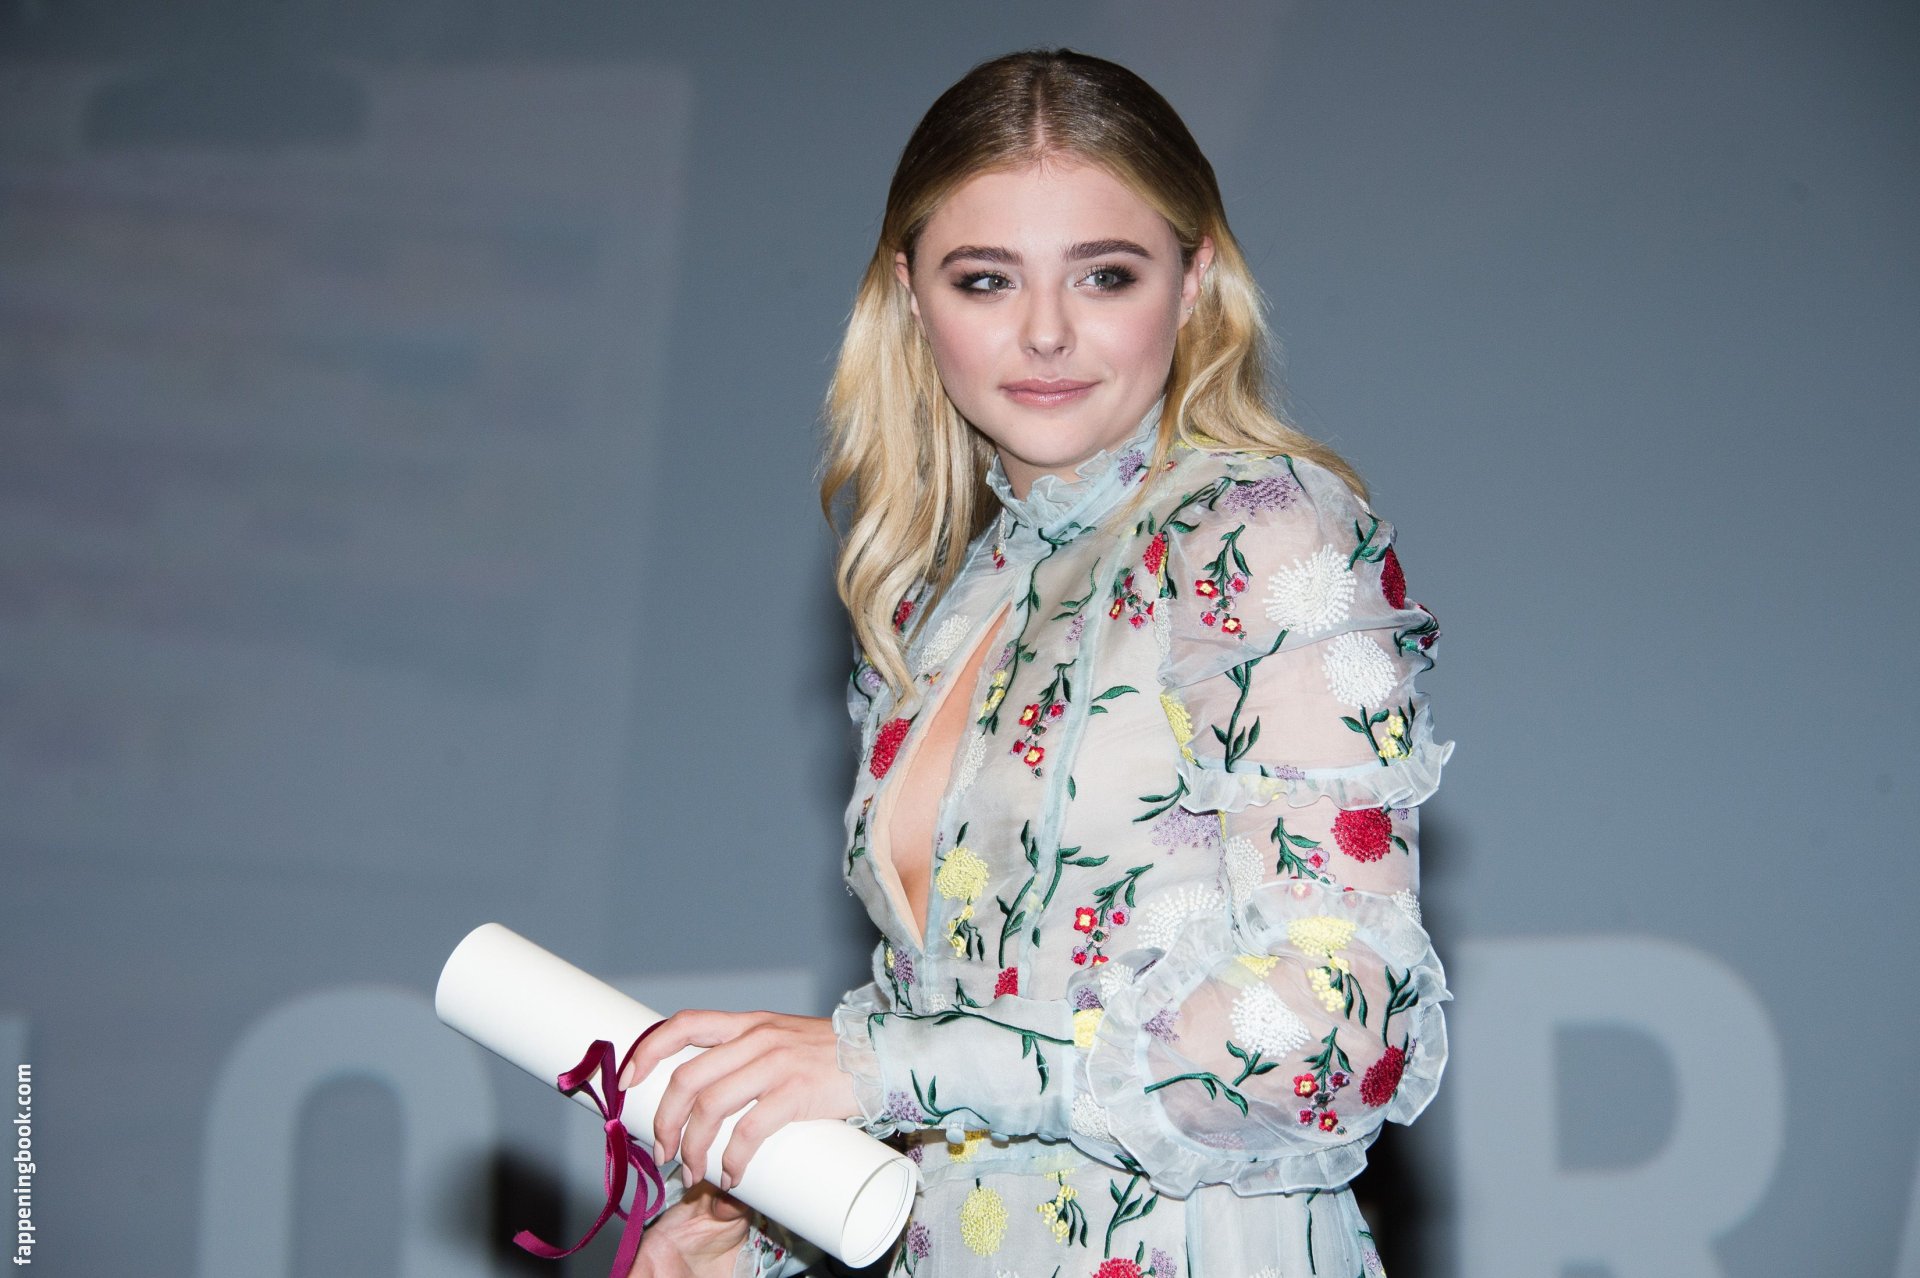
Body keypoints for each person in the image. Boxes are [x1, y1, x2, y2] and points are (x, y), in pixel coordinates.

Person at [617, 47, 1452, 1278]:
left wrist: (880, 1065)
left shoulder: (1259, 529)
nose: (1048, 332)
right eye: (986, 279)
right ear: (911, 296)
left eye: (1105, 274)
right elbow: (961, 1061)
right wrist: (762, 1232)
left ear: (1194, 281)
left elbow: (1340, 1028)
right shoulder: (933, 600)